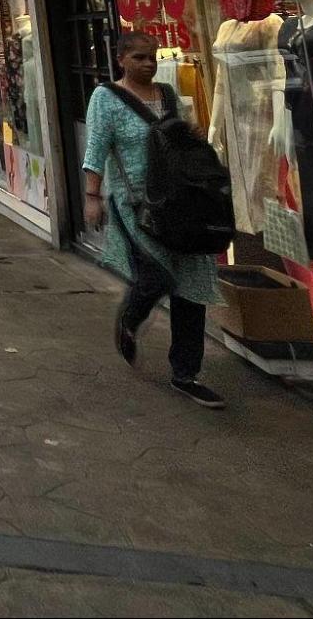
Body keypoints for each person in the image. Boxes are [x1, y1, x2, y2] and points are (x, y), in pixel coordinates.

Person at [82, 31, 224, 409]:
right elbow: (96, 148)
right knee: (157, 276)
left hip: (180, 204)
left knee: (191, 287)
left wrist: (192, 136)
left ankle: (186, 373)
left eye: (153, 57)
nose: (148, 64)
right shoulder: (105, 98)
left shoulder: (169, 95)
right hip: (135, 206)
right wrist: (92, 197)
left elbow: (182, 143)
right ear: (121, 59)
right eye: (139, 57)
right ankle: (129, 319)